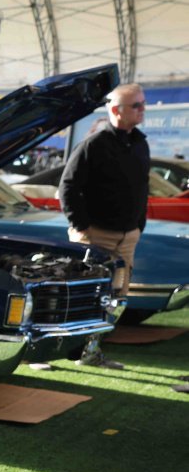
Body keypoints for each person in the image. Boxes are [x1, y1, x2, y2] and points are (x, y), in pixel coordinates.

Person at [56, 83, 150, 371]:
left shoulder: (140, 143)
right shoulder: (93, 144)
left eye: (143, 103)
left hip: (127, 237)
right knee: (80, 296)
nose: (143, 109)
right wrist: (82, 226)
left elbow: (142, 187)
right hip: (96, 236)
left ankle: (90, 351)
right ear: (116, 110)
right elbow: (67, 187)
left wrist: (138, 225)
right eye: (136, 105)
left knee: (115, 299)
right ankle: (47, 352)